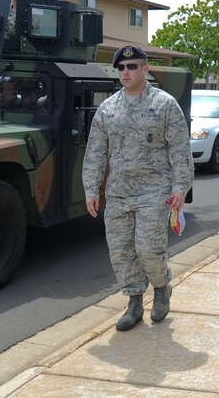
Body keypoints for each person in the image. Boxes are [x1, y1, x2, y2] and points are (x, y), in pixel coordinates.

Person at [82, 45, 194, 331]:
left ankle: (161, 287)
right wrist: (91, 190)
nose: (126, 72)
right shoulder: (108, 109)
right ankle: (134, 302)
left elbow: (180, 149)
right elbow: (95, 151)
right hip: (118, 192)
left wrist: (181, 188)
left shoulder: (165, 104)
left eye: (132, 67)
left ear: (145, 69)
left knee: (148, 248)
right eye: (121, 67)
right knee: (120, 251)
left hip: (154, 191)